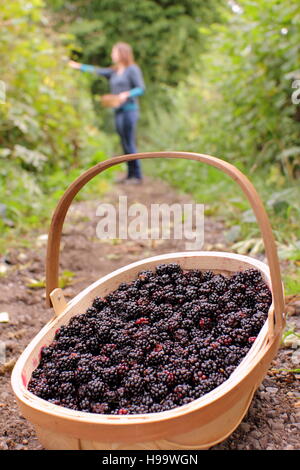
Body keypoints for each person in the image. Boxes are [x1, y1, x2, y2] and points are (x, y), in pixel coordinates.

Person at [69, 42, 145, 185]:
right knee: (124, 143)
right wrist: (78, 66)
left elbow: (141, 88)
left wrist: (126, 94)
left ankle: (137, 175)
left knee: (130, 142)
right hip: (118, 111)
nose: (112, 55)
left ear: (122, 54)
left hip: (130, 110)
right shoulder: (114, 71)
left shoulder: (132, 70)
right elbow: (97, 70)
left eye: (114, 52)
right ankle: (129, 175)